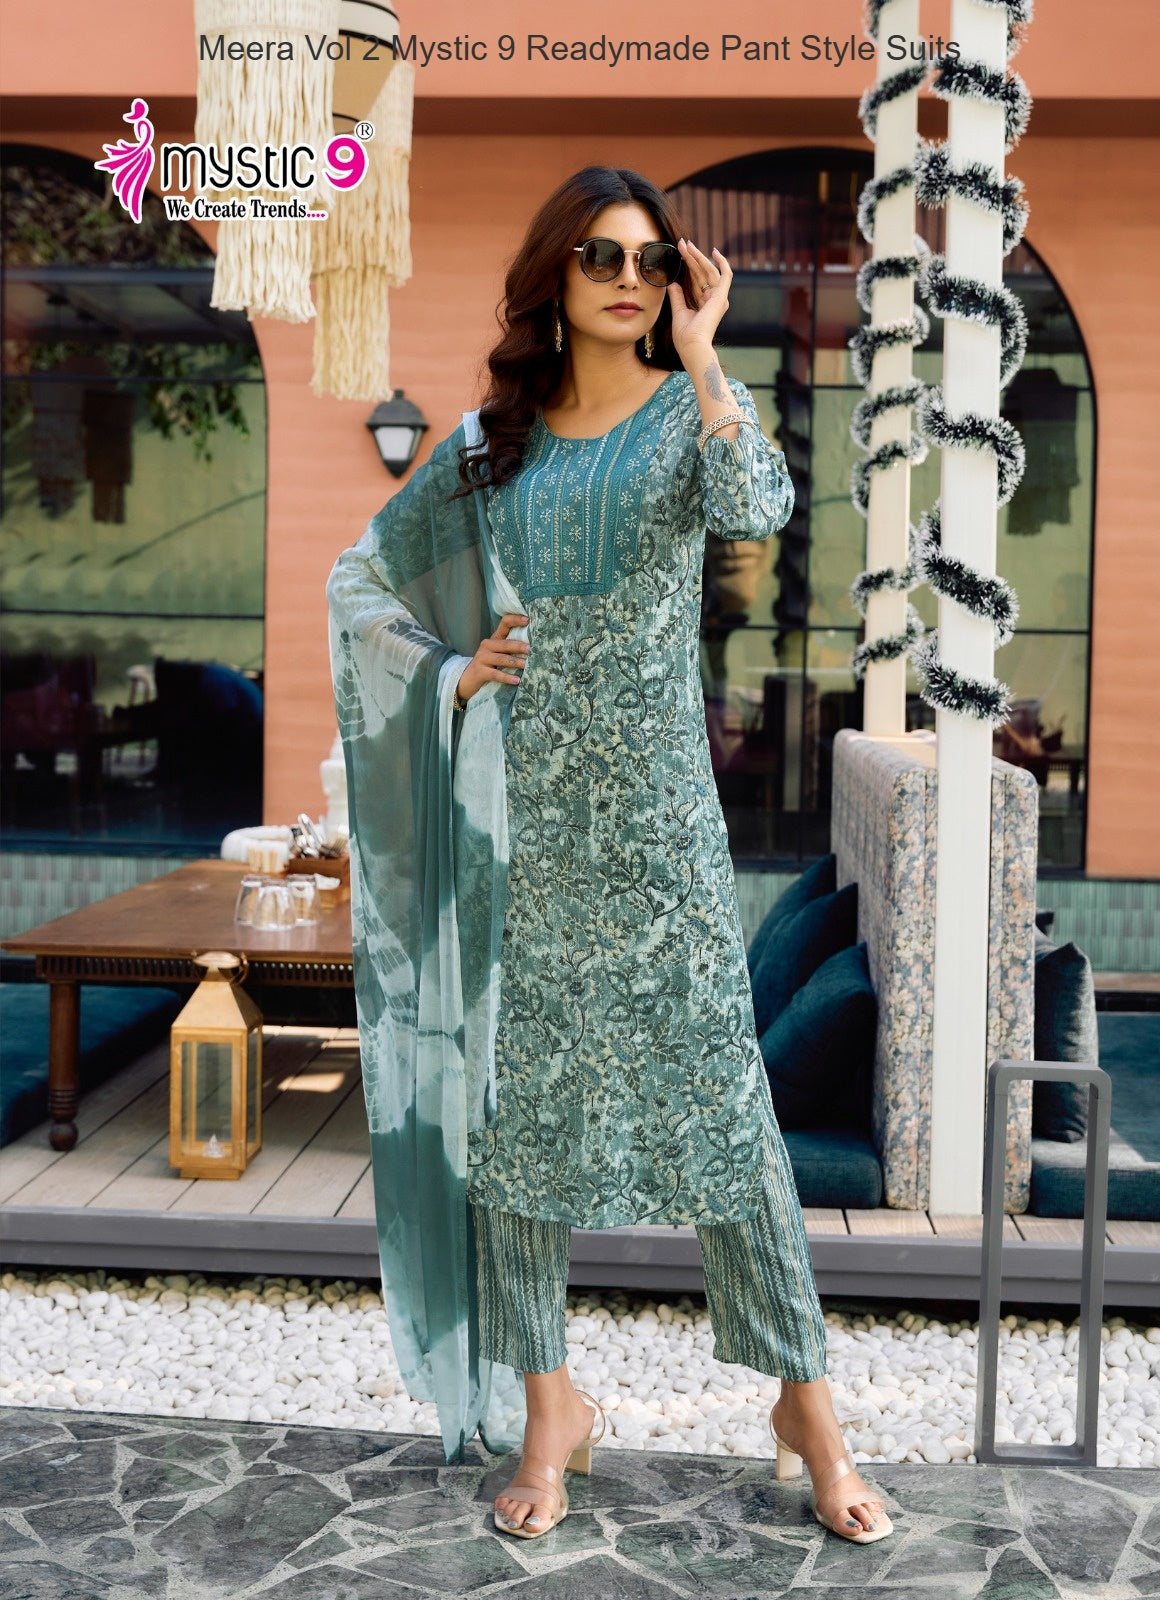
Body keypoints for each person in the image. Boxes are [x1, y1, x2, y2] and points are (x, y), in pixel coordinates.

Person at [326, 164, 892, 1548]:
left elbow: (757, 507)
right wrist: (452, 671)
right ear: (555, 276)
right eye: (601, 256)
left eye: (651, 258)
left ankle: (808, 1408)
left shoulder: (690, 411)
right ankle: (551, 1409)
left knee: (726, 1113)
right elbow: (360, 579)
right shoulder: (489, 445)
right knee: (519, 1117)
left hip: (660, 824)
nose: (630, 278)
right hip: (523, 820)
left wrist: (707, 357)